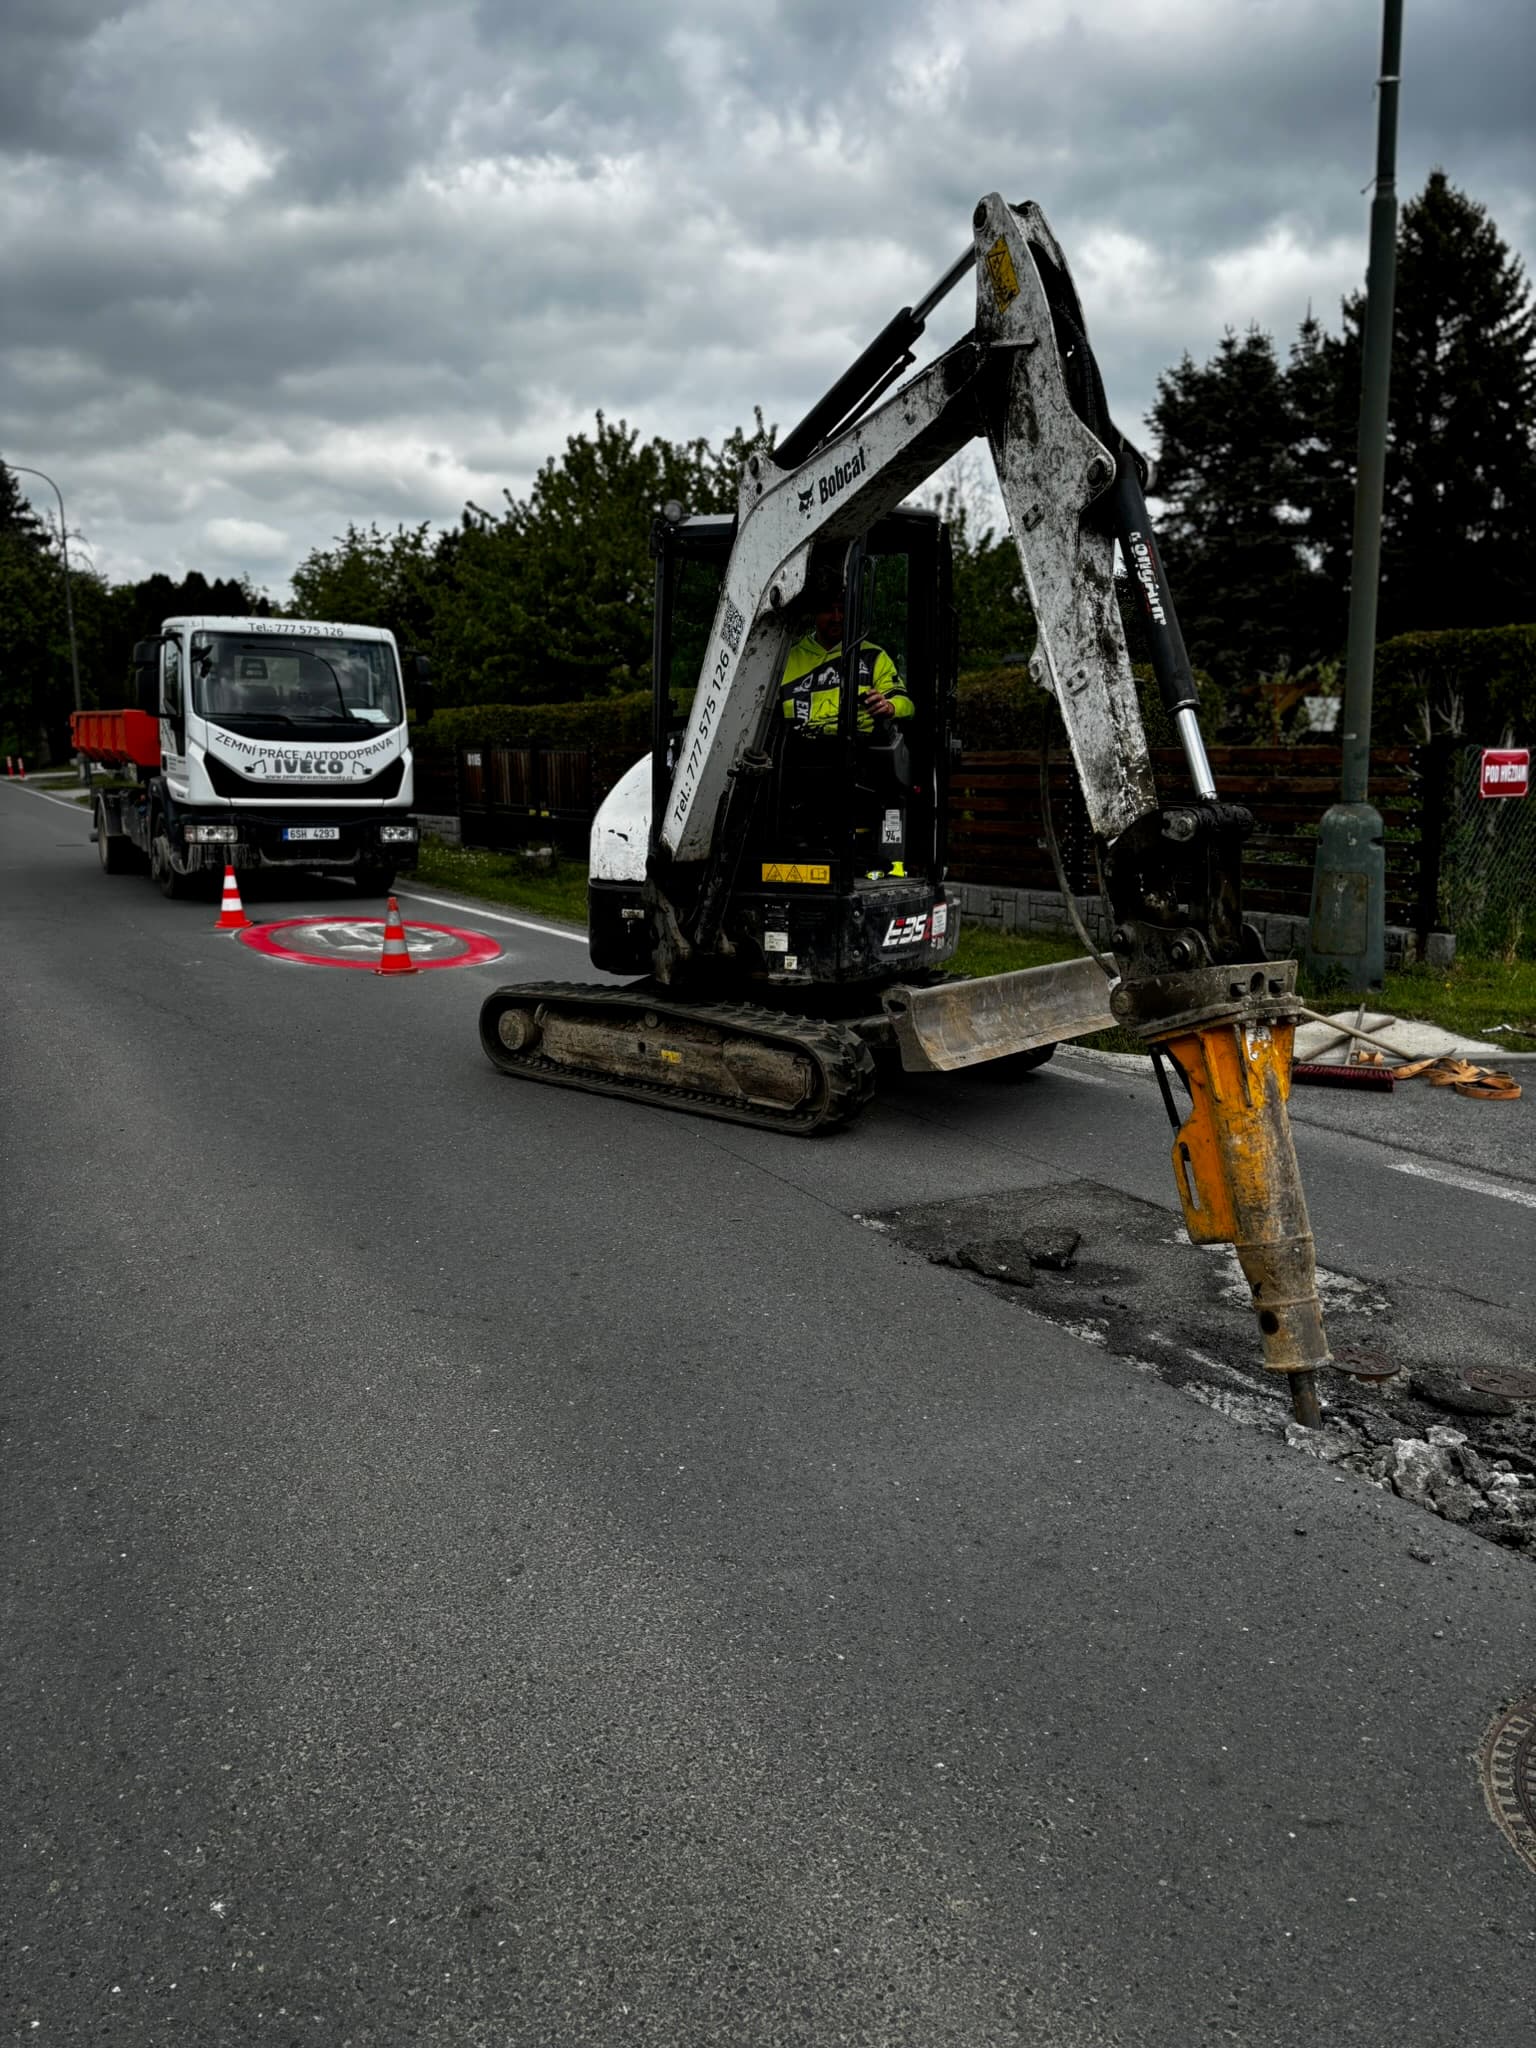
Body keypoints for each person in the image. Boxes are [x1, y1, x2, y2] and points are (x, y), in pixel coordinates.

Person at [778, 568, 914, 737]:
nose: (836, 617)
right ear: (814, 613)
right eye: (828, 610)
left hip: (858, 756)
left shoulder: (873, 656)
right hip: (796, 757)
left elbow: (907, 705)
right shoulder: (786, 660)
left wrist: (890, 706)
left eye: (842, 609)